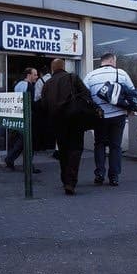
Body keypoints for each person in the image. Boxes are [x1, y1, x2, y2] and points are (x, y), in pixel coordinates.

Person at [83, 53, 134, 186]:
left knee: (99, 144)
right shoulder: (121, 73)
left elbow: (83, 95)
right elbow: (132, 92)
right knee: (115, 146)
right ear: (112, 60)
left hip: (99, 116)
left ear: (102, 61)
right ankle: (114, 176)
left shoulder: (91, 75)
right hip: (118, 115)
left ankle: (99, 173)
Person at [40, 59, 89, 195]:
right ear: (63, 67)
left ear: (52, 69)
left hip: (57, 123)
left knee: (63, 151)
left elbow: (44, 105)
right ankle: (70, 182)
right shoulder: (73, 78)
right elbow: (86, 95)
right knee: (75, 150)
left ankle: (65, 179)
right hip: (75, 120)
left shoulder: (47, 84)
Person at [4, 67, 41, 173]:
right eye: (35, 75)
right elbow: (30, 104)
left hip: (17, 116)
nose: (36, 77)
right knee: (29, 142)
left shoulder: (18, 84)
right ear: (29, 75)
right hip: (27, 117)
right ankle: (28, 166)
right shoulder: (29, 86)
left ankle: (9, 159)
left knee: (21, 142)